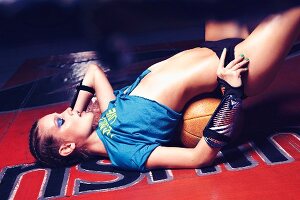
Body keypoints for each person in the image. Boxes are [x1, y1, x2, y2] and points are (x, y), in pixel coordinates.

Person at [29, 7, 300, 172]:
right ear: (66, 148)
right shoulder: (124, 152)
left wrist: (75, 113)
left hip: (215, 47)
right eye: (60, 120)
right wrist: (232, 94)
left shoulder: (109, 113)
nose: (67, 110)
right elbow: (198, 157)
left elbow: (93, 72)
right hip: (238, 64)